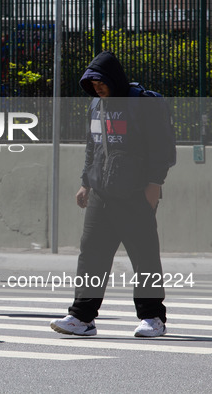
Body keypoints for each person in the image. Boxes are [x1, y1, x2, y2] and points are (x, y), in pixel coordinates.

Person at [49, 51, 176, 338]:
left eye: (100, 82)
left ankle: (153, 317)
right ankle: (81, 317)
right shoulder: (97, 105)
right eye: (92, 83)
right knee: (91, 256)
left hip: (135, 194)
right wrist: (86, 183)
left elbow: (162, 148)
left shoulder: (142, 104)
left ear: (113, 78)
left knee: (144, 257)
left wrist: (154, 184)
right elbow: (92, 148)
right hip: (101, 194)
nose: (97, 87)